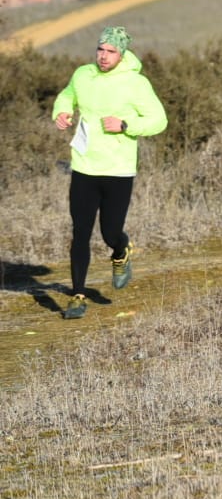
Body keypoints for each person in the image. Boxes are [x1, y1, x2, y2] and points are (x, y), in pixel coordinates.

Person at [50, 26, 168, 320]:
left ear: (122, 53)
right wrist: (61, 113)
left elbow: (158, 120)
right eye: (100, 50)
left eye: (110, 51)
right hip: (84, 166)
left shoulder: (136, 83)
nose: (103, 56)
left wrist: (126, 124)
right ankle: (77, 296)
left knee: (110, 232)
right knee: (80, 232)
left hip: (118, 169)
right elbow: (67, 95)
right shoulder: (83, 75)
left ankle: (121, 250)